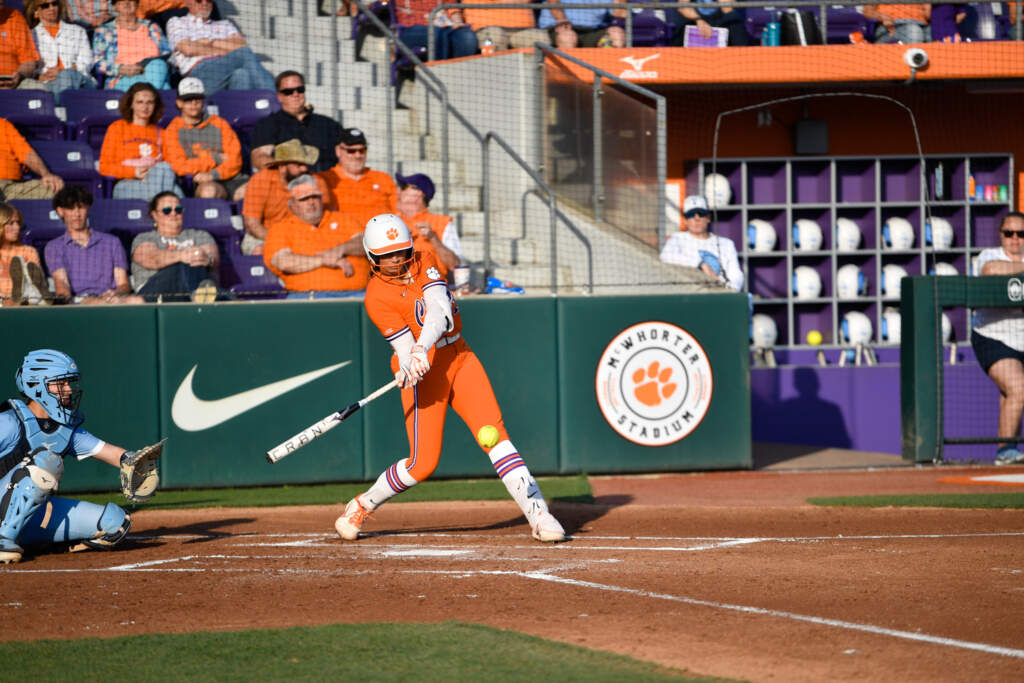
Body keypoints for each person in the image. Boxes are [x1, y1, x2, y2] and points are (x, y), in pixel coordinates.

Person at [335, 214, 565, 543]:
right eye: (386, 255)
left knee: (494, 435)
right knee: (422, 464)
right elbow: (403, 347)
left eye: (400, 251)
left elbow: (439, 308)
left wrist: (420, 347)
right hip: (426, 376)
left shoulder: (424, 259)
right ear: (372, 258)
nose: (396, 259)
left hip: (459, 356)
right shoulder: (375, 298)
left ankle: (539, 514)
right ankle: (361, 505)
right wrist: (408, 364)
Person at [0, 349, 153, 564]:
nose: (68, 390)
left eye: (69, 383)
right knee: (45, 461)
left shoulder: (66, 429)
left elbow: (111, 452)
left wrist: (137, 462)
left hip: (29, 515)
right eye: (60, 384)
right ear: (35, 385)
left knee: (115, 523)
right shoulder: (9, 422)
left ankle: (33, 541)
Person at [971, 211, 1024, 466]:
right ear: (1001, 235)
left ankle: (1006, 449)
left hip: (1022, 338)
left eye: (1021, 234)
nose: (1015, 239)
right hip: (992, 335)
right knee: (1018, 388)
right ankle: (1006, 452)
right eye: (1009, 233)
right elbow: (991, 270)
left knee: (1011, 394)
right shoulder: (990, 255)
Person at [262, 174, 369, 299]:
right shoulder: (281, 229)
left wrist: (338, 250)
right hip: (307, 297)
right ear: (292, 204)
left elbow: (365, 243)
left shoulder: (343, 219)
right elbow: (283, 262)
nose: (311, 202)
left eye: (315, 197)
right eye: (304, 199)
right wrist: (324, 260)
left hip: (358, 294)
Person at [43, 185, 145, 304]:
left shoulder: (112, 242)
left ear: (88, 208)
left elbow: (123, 284)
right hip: (78, 300)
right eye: (71, 208)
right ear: (60, 211)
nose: (77, 214)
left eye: (81, 207)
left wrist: (116, 293)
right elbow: (62, 284)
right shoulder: (54, 247)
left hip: (111, 298)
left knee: (138, 300)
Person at [166, 0, 275, 96]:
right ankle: (275, 98)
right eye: (199, 0)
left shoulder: (225, 24)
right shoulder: (177, 21)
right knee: (243, 54)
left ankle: (237, 115)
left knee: (241, 74)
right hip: (198, 75)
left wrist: (210, 41)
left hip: (225, 72)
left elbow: (241, 45)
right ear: (188, 2)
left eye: (208, 0)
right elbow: (188, 49)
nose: (204, 3)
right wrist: (225, 48)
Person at [162, 76, 247, 200]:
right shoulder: (173, 130)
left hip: (232, 178)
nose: (194, 103)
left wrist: (213, 174)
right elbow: (179, 166)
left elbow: (235, 160)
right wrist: (215, 158)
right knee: (209, 192)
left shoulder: (219, 123)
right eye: (188, 99)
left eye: (198, 98)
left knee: (256, 192)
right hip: (203, 183)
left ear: (203, 101)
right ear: (179, 103)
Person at [241, 138, 329, 256]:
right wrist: (281, 241)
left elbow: (327, 218)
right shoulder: (260, 180)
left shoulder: (316, 181)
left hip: (307, 236)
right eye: (298, 164)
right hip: (266, 235)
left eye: (305, 164)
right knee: (261, 251)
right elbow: (252, 225)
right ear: (282, 166)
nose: (304, 169)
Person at [130, 190, 219, 301]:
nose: (173, 213)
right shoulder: (144, 238)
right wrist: (182, 256)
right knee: (184, 264)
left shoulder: (199, 235)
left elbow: (212, 254)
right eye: (167, 210)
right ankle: (197, 295)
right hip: (154, 294)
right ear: (155, 215)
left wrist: (207, 259)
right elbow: (152, 259)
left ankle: (199, 295)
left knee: (196, 262)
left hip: (188, 293)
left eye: (178, 210)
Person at [98, 82, 181, 200]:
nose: (145, 107)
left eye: (150, 102)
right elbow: (104, 167)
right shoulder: (117, 128)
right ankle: (160, 209)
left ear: (155, 105)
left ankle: (158, 209)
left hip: (157, 180)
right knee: (176, 196)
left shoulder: (162, 133)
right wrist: (134, 172)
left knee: (166, 171)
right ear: (131, 104)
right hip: (128, 184)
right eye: (139, 102)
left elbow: (170, 166)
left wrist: (153, 172)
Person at [249, 70, 342, 174]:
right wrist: (288, 171)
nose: (295, 94)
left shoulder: (328, 124)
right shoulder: (268, 124)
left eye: (300, 89)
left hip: (329, 181)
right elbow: (259, 157)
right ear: (279, 97)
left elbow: (348, 151)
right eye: (288, 92)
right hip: (287, 183)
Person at [659, 196, 743, 291]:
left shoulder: (726, 243)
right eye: (691, 215)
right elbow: (665, 256)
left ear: (708, 218)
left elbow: (736, 275)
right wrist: (700, 264)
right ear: (685, 221)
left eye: (701, 214)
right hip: (691, 294)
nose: (696, 219)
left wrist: (730, 289)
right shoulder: (678, 238)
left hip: (719, 293)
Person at [317, 127, 397, 225]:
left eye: (362, 150)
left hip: (382, 236)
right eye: (351, 151)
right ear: (338, 151)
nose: (357, 155)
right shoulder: (325, 180)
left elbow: (399, 211)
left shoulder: (383, 178)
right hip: (342, 236)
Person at [26, 0, 98, 104]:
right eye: (45, 5)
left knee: (67, 76)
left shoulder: (77, 30)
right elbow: (30, 65)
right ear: (36, 9)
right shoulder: (31, 36)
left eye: (54, 4)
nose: (51, 8)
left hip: (81, 81)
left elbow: (87, 61)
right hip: (48, 84)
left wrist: (65, 72)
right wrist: (39, 76)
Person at [91, 0, 171, 91]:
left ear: (137, 4)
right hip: (123, 77)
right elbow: (97, 63)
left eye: (131, 0)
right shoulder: (103, 30)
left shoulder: (152, 27)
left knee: (158, 64)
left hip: (155, 73)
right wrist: (120, 69)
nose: (127, 3)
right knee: (165, 88)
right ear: (114, 6)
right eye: (122, 1)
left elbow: (168, 55)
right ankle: (151, 94)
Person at [395, 172, 461, 280]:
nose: (398, 191)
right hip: (397, 288)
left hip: (432, 287)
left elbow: (455, 265)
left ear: (419, 194)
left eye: (403, 187)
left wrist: (433, 238)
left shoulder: (442, 222)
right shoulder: (392, 221)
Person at [0, 117, 65, 201]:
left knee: (54, 188)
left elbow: (26, 153)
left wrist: (45, 174)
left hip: (12, 188)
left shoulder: (3, 125)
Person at [0, 202, 52, 306]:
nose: (17, 228)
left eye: (18, 223)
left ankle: (33, 295)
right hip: (2, 301)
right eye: (11, 223)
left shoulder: (29, 250)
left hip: (27, 299)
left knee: (27, 270)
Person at [393, 0, 479, 60]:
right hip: (409, 29)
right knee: (436, 33)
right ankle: (441, 73)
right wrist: (430, 20)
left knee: (467, 37)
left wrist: (457, 21)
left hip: (445, 25)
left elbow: (451, 4)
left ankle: (461, 76)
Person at [464, 0, 551, 51]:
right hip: (486, 29)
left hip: (523, 30)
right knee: (496, 37)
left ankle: (536, 81)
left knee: (541, 38)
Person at [538, 0, 626, 48]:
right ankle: (568, 78)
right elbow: (552, 2)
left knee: (617, 33)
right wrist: (560, 19)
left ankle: (610, 77)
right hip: (562, 29)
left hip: (592, 31)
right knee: (567, 37)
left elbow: (619, 12)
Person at [0, 5, 46, 91]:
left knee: (40, 89)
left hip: (14, 81)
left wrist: (19, 76)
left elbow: (29, 62)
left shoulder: (15, 17)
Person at [674, 0, 749, 46]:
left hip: (721, 19)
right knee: (681, 26)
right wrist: (699, 20)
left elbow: (727, 8)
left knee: (734, 21)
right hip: (695, 18)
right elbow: (683, 8)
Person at [862, 3, 932, 44]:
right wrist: (883, 17)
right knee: (915, 33)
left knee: (932, 43)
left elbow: (927, 14)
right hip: (892, 25)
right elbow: (867, 11)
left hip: (923, 25)